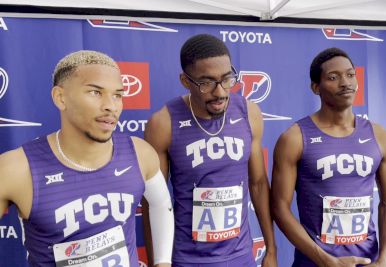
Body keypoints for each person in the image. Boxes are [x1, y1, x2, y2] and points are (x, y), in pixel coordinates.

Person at [0, 50, 174, 267]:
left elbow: (161, 205)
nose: (111, 105)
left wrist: (163, 262)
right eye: (95, 92)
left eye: (117, 95)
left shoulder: (140, 154)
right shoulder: (16, 168)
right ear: (60, 98)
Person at [144, 34, 277, 267]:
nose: (220, 92)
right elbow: (154, 202)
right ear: (186, 81)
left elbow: (257, 183)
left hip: (241, 256)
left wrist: (271, 249)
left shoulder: (249, 113)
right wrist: (158, 262)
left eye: (227, 79)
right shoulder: (163, 123)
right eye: (207, 83)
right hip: (188, 258)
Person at [272, 47, 386, 267]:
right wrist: (325, 260)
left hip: (367, 261)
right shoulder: (294, 138)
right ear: (315, 88)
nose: (345, 83)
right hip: (315, 263)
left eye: (350, 75)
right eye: (333, 77)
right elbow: (280, 208)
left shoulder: (379, 136)